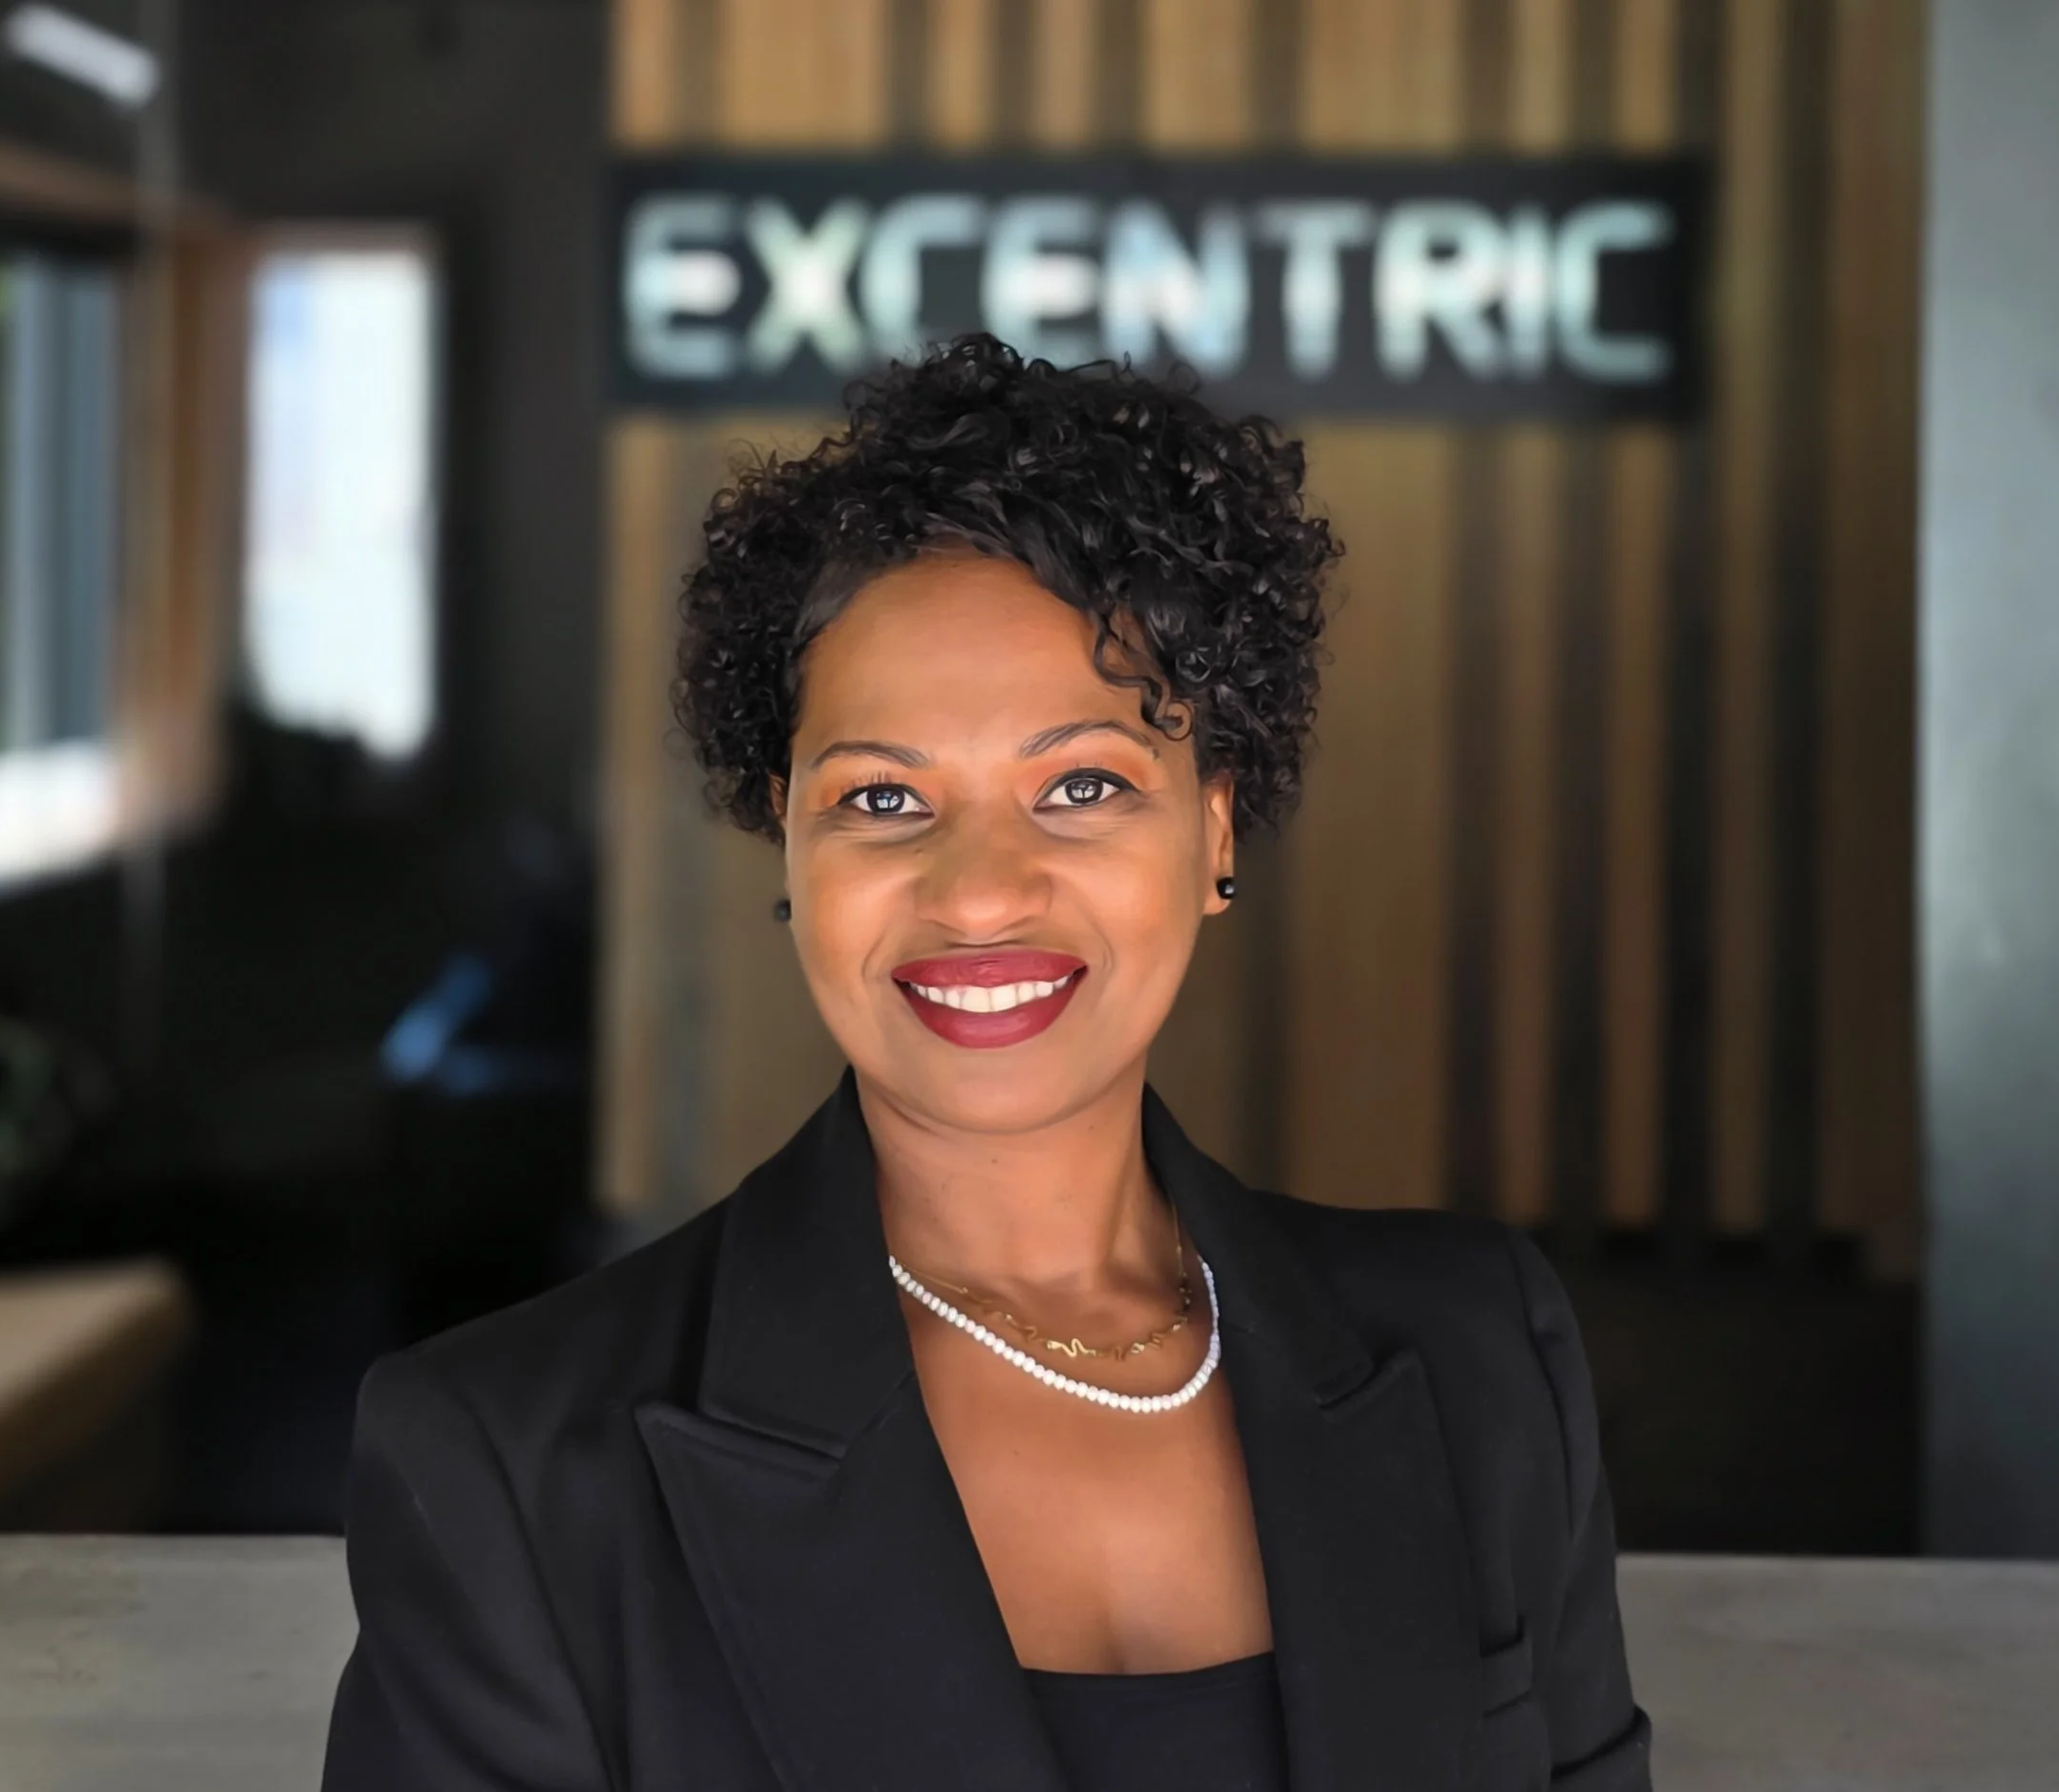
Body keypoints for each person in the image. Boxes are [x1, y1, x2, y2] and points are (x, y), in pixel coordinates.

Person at [320, 334, 1653, 1792]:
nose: (976, 889)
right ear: (791, 840)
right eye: (884, 796)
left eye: (1081, 784)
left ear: (1214, 830)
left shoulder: (1483, 1357)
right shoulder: (508, 1462)